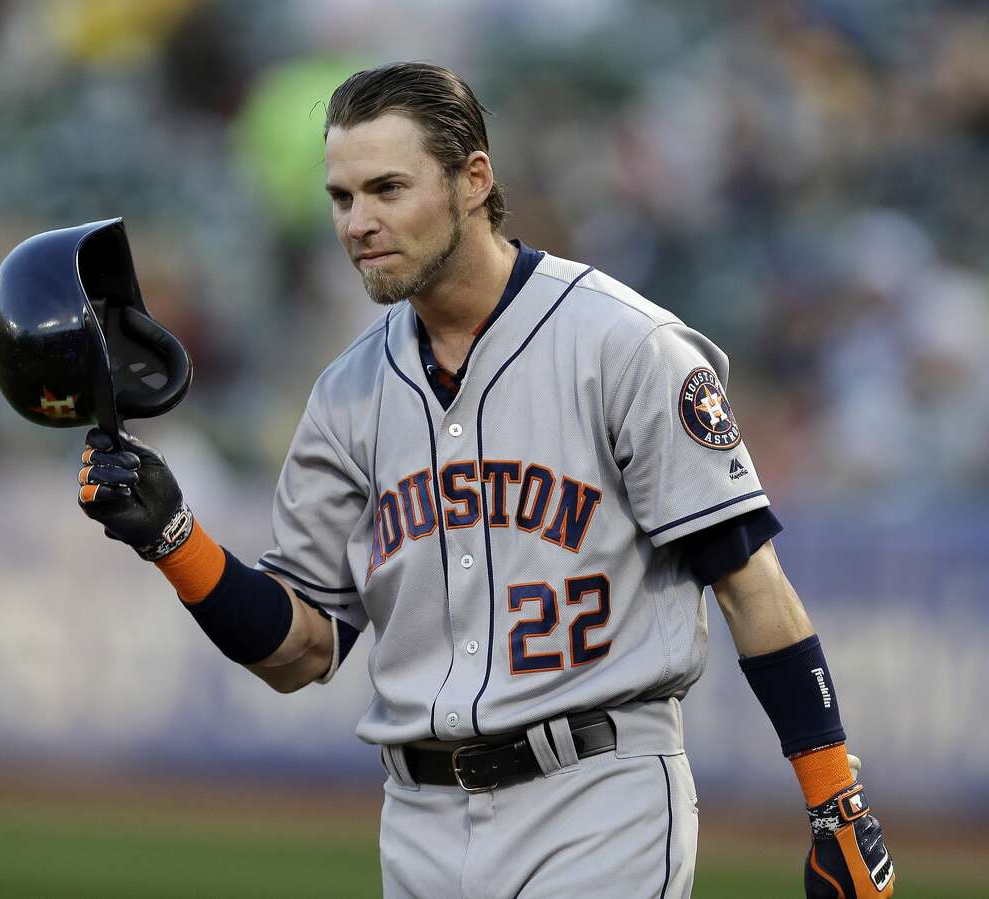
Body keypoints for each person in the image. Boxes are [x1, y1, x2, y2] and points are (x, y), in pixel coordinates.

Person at [77, 62, 894, 899]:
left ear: (474, 180)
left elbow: (751, 584)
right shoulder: (346, 396)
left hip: (600, 799)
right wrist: (175, 539)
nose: (359, 222)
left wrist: (835, 798)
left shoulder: (623, 345)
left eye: (388, 188)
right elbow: (300, 650)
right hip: (418, 821)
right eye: (342, 197)